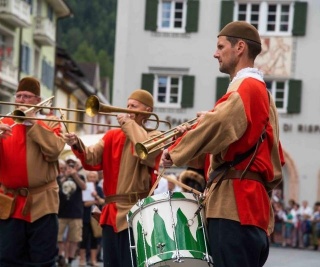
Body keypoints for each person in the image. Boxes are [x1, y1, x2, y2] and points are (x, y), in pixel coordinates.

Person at [162, 21, 285, 267]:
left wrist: (175, 151)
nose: (215, 53)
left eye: (220, 47)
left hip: (234, 206)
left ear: (239, 48)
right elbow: (273, 156)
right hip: (250, 205)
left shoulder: (245, 86)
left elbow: (219, 123)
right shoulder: (262, 92)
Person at [63, 89, 162, 267]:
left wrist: (130, 125)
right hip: (110, 213)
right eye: (127, 106)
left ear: (147, 111)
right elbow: (91, 158)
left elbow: (147, 151)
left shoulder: (154, 136)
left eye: (133, 106)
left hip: (136, 211)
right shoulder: (111, 135)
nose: (128, 109)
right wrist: (77, 143)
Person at [0, 77, 65, 266]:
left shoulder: (52, 123)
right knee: (6, 259)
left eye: (27, 96)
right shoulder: (3, 122)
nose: (20, 100)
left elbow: (54, 150)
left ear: (38, 101)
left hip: (42, 203)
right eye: (18, 95)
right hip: (9, 203)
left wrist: (33, 124)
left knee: (43, 260)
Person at [57, 155, 86, 266]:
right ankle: (61, 257)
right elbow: (57, 187)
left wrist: (74, 176)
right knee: (58, 237)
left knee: (75, 238)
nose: (70, 166)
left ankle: (70, 258)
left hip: (76, 213)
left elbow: (83, 187)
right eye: (68, 164)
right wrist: (66, 176)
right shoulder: (59, 177)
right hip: (61, 212)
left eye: (72, 164)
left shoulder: (80, 177)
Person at [79, 170, 104, 267]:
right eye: (90, 177)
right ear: (87, 178)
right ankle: (82, 260)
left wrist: (95, 197)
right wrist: (95, 201)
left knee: (95, 238)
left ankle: (93, 260)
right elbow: (84, 203)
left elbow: (102, 201)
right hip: (85, 216)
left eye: (94, 176)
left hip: (95, 217)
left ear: (97, 178)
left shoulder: (98, 188)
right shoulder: (84, 188)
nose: (92, 179)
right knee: (84, 238)